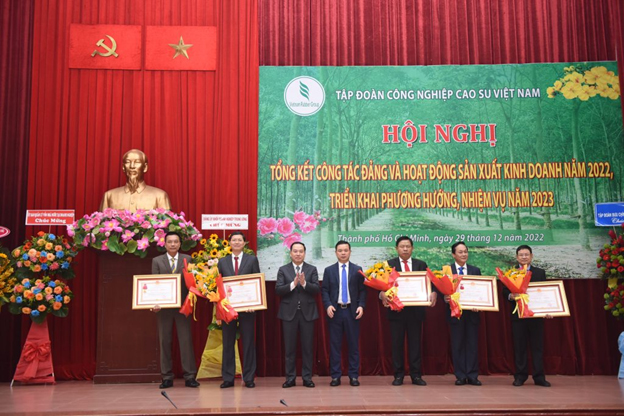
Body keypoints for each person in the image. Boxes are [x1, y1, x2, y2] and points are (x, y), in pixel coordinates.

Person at [382, 236, 437, 386]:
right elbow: (382, 285)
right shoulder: (389, 265)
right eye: (402, 246)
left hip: (416, 312)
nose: (405, 249)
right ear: (396, 249)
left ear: (412, 248)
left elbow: (431, 283)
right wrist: (381, 294)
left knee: (415, 344)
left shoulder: (421, 264)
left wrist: (433, 292)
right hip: (396, 312)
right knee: (397, 344)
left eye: (408, 246)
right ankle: (398, 375)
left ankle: (416, 375)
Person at [151, 231, 199, 389]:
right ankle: (166, 377)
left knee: (185, 341)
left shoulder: (188, 259)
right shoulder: (157, 261)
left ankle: (190, 376)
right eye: (170, 242)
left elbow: (192, 282)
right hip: (163, 308)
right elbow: (154, 284)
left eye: (175, 241)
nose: (172, 244)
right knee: (164, 341)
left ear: (180, 244)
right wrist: (154, 302)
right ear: (164, 244)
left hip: (183, 307)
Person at [218, 232, 260, 388]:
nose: (236, 242)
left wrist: (254, 304)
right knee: (227, 343)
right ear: (229, 243)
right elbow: (219, 285)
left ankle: (249, 378)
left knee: (248, 342)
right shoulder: (222, 261)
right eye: (233, 240)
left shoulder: (252, 260)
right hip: (227, 309)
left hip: (247, 309)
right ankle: (228, 378)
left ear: (244, 243)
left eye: (239, 240)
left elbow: (256, 281)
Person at [504, 245, 551, 387]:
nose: (524, 257)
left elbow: (545, 292)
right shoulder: (511, 273)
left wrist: (549, 309)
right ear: (516, 257)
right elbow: (504, 292)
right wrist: (511, 296)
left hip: (536, 316)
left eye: (526, 254)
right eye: (521, 255)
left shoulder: (540, 272)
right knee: (519, 347)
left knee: (537, 347)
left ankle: (539, 377)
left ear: (531, 256)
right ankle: (520, 376)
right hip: (518, 316)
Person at [321, 240, 366, 386]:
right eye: (340, 250)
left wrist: (361, 306)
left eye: (346, 250)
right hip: (336, 311)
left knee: (353, 345)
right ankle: (335, 376)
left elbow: (362, 290)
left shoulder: (357, 269)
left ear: (350, 252)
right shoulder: (329, 270)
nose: (343, 253)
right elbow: (325, 290)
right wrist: (328, 305)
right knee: (335, 345)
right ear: (335, 253)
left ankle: (354, 376)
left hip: (352, 312)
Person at [276, 242, 320, 388]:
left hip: (307, 314)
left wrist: (304, 283)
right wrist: (293, 284)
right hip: (289, 314)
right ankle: (290, 378)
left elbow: (316, 289)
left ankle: (307, 378)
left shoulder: (312, 269)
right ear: (290, 253)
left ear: (305, 253)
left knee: (307, 348)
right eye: (295, 251)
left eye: (301, 251)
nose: (298, 254)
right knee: (289, 349)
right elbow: (278, 290)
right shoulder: (283, 270)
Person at [444, 241, 482, 386]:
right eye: (460, 252)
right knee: (457, 345)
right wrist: (445, 298)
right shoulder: (447, 271)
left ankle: (472, 375)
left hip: (472, 314)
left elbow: (480, 291)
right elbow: (443, 291)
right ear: (453, 254)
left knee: (472, 345)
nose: (464, 254)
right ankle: (460, 375)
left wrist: (479, 303)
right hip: (455, 314)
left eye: (465, 251)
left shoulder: (475, 270)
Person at [100, 149, 171, 212]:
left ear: (145, 167)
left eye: (137, 162)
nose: (132, 166)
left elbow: (167, 221)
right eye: (127, 162)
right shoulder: (109, 196)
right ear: (123, 167)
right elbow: (102, 221)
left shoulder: (160, 196)